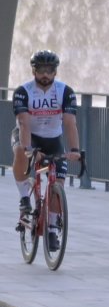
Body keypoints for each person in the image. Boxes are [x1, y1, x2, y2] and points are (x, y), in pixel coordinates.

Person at [11, 50, 81, 226]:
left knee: (58, 185)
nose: (45, 74)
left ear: (55, 71)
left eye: (49, 70)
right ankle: (24, 199)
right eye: (41, 69)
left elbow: (70, 123)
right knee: (20, 151)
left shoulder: (65, 92)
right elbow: (24, 123)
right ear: (33, 71)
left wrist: (74, 150)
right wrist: (28, 150)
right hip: (29, 137)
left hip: (53, 140)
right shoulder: (23, 92)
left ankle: (52, 226)